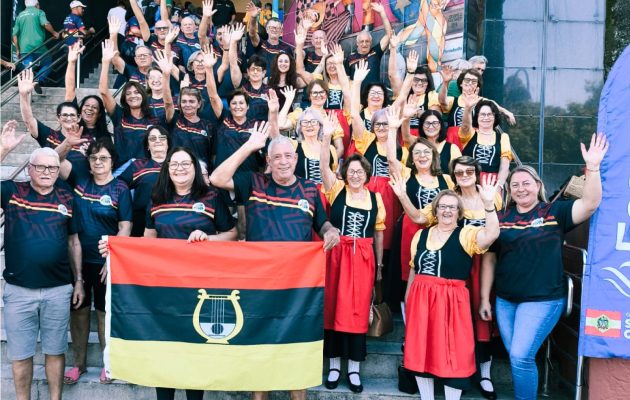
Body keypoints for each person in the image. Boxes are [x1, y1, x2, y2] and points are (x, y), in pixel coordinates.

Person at [209, 122, 341, 400]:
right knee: (261, 348)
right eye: (276, 157)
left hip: (297, 288)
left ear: (296, 159)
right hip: (260, 284)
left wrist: (331, 231)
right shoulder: (253, 182)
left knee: (296, 349)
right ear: (268, 161)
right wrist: (249, 146)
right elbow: (217, 178)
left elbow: (323, 224)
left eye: (288, 156)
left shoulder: (309, 189)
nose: (283, 161)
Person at [100, 146, 237, 399]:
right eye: (174, 164)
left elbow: (232, 234)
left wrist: (207, 238)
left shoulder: (211, 196)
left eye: (185, 164)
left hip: (199, 290)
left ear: (194, 168)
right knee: (164, 353)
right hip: (164, 291)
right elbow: (148, 242)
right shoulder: (157, 198)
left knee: (194, 353)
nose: (179, 168)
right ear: (167, 168)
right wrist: (115, 247)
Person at [480, 133, 608, 400]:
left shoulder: (554, 212)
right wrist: (484, 298)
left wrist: (593, 168)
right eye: (515, 185)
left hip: (543, 299)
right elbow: (489, 257)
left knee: (520, 356)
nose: (521, 189)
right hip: (506, 300)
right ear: (509, 190)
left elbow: (590, 204)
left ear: (538, 185)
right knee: (518, 356)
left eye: (526, 183)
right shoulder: (501, 217)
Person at [1, 120, 84, 400]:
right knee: (21, 354)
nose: (47, 172)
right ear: (30, 169)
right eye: (41, 167)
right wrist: (3, 150)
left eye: (52, 167)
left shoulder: (67, 198)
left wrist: (79, 280)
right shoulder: (13, 192)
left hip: (58, 289)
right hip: (19, 290)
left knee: (56, 351)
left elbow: (73, 242)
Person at [404, 184, 499, 400]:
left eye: (452, 207)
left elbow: (492, 234)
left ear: (459, 212)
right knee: (420, 350)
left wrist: (488, 205)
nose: (447, 211)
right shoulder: (420, 235)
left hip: (452, 301)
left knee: (455, 353)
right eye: (442, 206)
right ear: (435, 210)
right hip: (421, 300)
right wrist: (408, 301)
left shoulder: (466, 234)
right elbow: (414, 270)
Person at [319, 113, 385, 393]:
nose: (355, 175)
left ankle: (355, 369)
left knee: (357, 311)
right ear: (345, 173)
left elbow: (378, 233)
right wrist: (326, 136)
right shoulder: (336, 190)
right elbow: (323, 165)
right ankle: (334, 366)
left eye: (360, 171)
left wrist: (379, 265)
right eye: (351, 171)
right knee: (334, 306)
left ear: (367, 175)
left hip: (364, 257)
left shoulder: (375, 198)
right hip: (337, 255)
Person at [59, 138, 132, 386]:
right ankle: (78, 364)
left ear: (112, 161)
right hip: (77, 260)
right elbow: (55, 160)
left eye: (103, 158)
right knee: (78, 311)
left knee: (103, 312)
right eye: (93, 158)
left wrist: (112, 258)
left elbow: (125, 227)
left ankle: (107, 365)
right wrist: (68, 144)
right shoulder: (80, 182)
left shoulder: (120, 189)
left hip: (105, 263)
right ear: (88, 161)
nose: (98, 162)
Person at [18, 69, 95, 177]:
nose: (69, 118)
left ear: (79, 118)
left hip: (80, 185)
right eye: (65, 115)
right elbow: (29, 120)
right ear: (58, 118)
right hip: (53, 184)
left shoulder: (87, 140)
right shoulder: (50, 135)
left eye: (72, 115)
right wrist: (23, 95)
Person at [99, 39, 162, 168]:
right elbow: (104, 92)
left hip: (147, 168)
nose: (133, 96)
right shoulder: (119, 115)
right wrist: (105, 63)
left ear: (143, 95)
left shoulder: (153, 117)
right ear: (124, 98)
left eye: (137, 92)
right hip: (123, 169)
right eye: (128, 93)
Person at [119, 126, 171, 237]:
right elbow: (118, 186)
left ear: (168, 143)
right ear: (147, 145)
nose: (157, 141)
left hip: (172, 220)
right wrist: (127, 209)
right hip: (141, 221)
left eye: (162, 138)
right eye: (152, 138)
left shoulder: (177, 164)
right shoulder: (138, 165)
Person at [459, 99, 513, 188]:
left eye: (490, 114)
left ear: (495, 117)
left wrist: (499, 186)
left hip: (492, 185)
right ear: (477, 117)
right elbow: (465, 126)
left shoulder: (503, 137)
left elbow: (504, 166)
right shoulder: (470, 134)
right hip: (469, 182)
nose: (486, 117)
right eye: (482, 114)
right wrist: (467, 110)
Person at [64, 42, 111, 140]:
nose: (89, 108)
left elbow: (104, 91)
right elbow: (70, 90)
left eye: (94, 107)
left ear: (99, 114)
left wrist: (106, 62)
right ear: (80, 109)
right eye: (86, 105)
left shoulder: (104, 136)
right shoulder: (72, 125)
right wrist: (71, 62)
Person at [11, 0, 59, 93]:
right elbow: (45, 24)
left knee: (28, 71)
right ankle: (38, 79)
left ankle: (26, 93)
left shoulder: (20, 15)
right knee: (48, 62)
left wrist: (17, 49)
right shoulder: (39, 12)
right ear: (36, 4)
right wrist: (54, 33)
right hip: (38, 46)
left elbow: (14, 35)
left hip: (24, 48)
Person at [344, 2, 393, 89]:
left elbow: (389, 35)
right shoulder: (350, 58)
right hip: (357, 96)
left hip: (373, 95)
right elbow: (346, 82)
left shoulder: (375, 52)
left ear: (370, 42)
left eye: (367, 41)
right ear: (357, 43)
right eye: (362, 41)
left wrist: (382, 13)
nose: (364, 44)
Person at [245, 1, 293, 77]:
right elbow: (252, 34)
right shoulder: (261, 44)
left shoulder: (287, 48)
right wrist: (253, 17)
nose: (274, 30)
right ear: (267, 29)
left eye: (277, 28)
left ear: (281, 32)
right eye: (271, 27)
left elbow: (291, 70)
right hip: (262, 83)